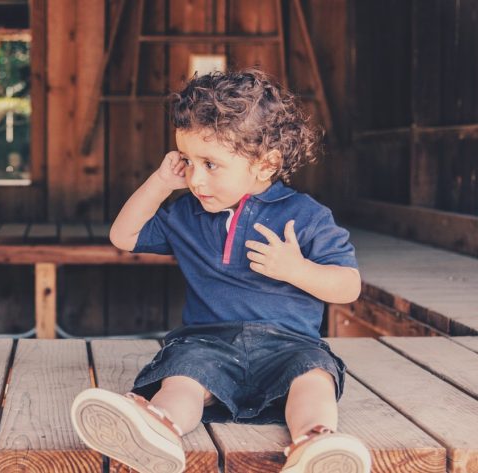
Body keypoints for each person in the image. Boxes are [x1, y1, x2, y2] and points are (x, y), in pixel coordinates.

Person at [70, 69, 372, 473]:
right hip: (207, 343)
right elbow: (124, 235)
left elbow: (348, 286)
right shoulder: (186, 214)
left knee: (314, 376)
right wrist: (160, 183)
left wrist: (296, 269)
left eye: (210, 164)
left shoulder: (307, 216)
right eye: (187, 161)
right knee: (184, 377)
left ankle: (315, 444)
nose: (195, 178)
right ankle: (158, 428)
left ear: (266, 165)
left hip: (289, 346)